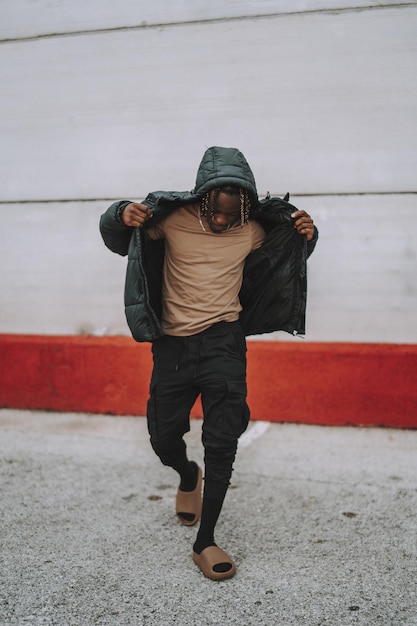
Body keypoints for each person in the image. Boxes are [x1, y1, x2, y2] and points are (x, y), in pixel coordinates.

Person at [100, 146, 318, 580]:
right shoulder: (171, 220)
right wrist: (119, 212)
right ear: (202, 197)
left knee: (222, 442)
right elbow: (121, 238)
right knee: (163, 438)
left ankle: (206, 540)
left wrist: (307, 236)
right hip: (174, 347)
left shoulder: (253, 228)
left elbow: (285, 257)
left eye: (231, 216)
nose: (222, 222)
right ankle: (186, 473)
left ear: (246, 207)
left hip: (224, 341)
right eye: (215, 212)